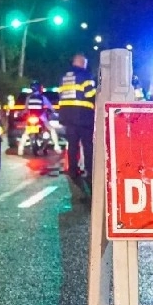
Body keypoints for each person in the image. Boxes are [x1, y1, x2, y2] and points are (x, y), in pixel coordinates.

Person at [57, 52, 97, 201]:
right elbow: (90, 94)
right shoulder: (85, 75)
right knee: (87, 145)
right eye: (84, 63)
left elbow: (61, 95)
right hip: (83, 116)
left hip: (67, 117)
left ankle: (73, 170)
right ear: (80, 62)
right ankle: (89, 171)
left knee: (72, 145)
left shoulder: (64, 77)